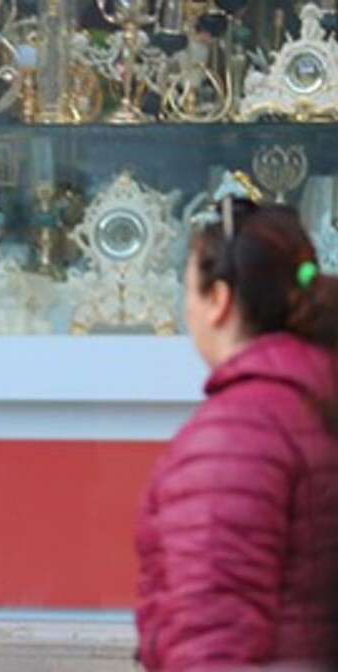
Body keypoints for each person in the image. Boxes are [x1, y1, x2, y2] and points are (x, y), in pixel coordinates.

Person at [134, 198, 338, 670]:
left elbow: (212, 639)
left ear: (219, 300)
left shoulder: (237, 434)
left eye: (188, 291)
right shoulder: (317, 398)